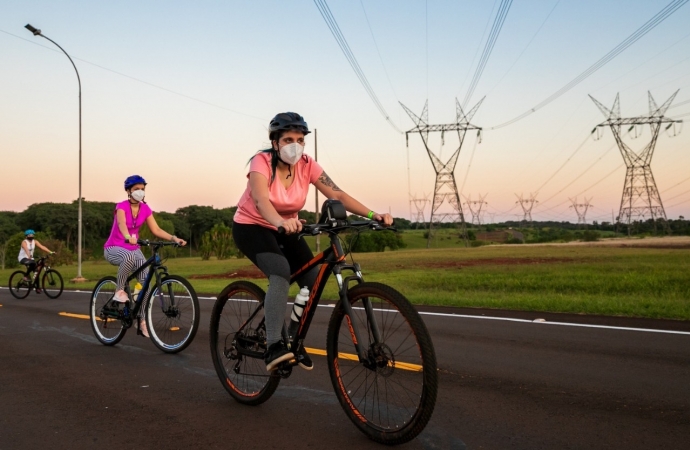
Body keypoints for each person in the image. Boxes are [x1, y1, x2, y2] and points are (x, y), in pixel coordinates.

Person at [232, 112, 393, 371]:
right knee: (281, 272)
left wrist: (374, 214)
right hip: (252, 226)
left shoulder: (307, 164)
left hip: (287, 227)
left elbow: (337, 193)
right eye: (287, 140)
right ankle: (274, 346)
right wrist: (280, 222)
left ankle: (292, 339)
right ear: (275, 143)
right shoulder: (260, 162)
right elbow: (261, 200)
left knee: (313, 278)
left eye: (300, 139)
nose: (294, 145)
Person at [103, 175, 187, 337]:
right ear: (128, 191)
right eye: (136, 189)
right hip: (114, 248)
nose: (140, 192)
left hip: (134, 249)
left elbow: (156, 230)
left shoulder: (145, 209)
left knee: (146, 285)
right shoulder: (121, 206)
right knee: (128, 257)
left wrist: (174, 238)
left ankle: (141, 320)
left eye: (142, 189)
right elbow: (121, 225)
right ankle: (119, 290)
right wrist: (128, 236)